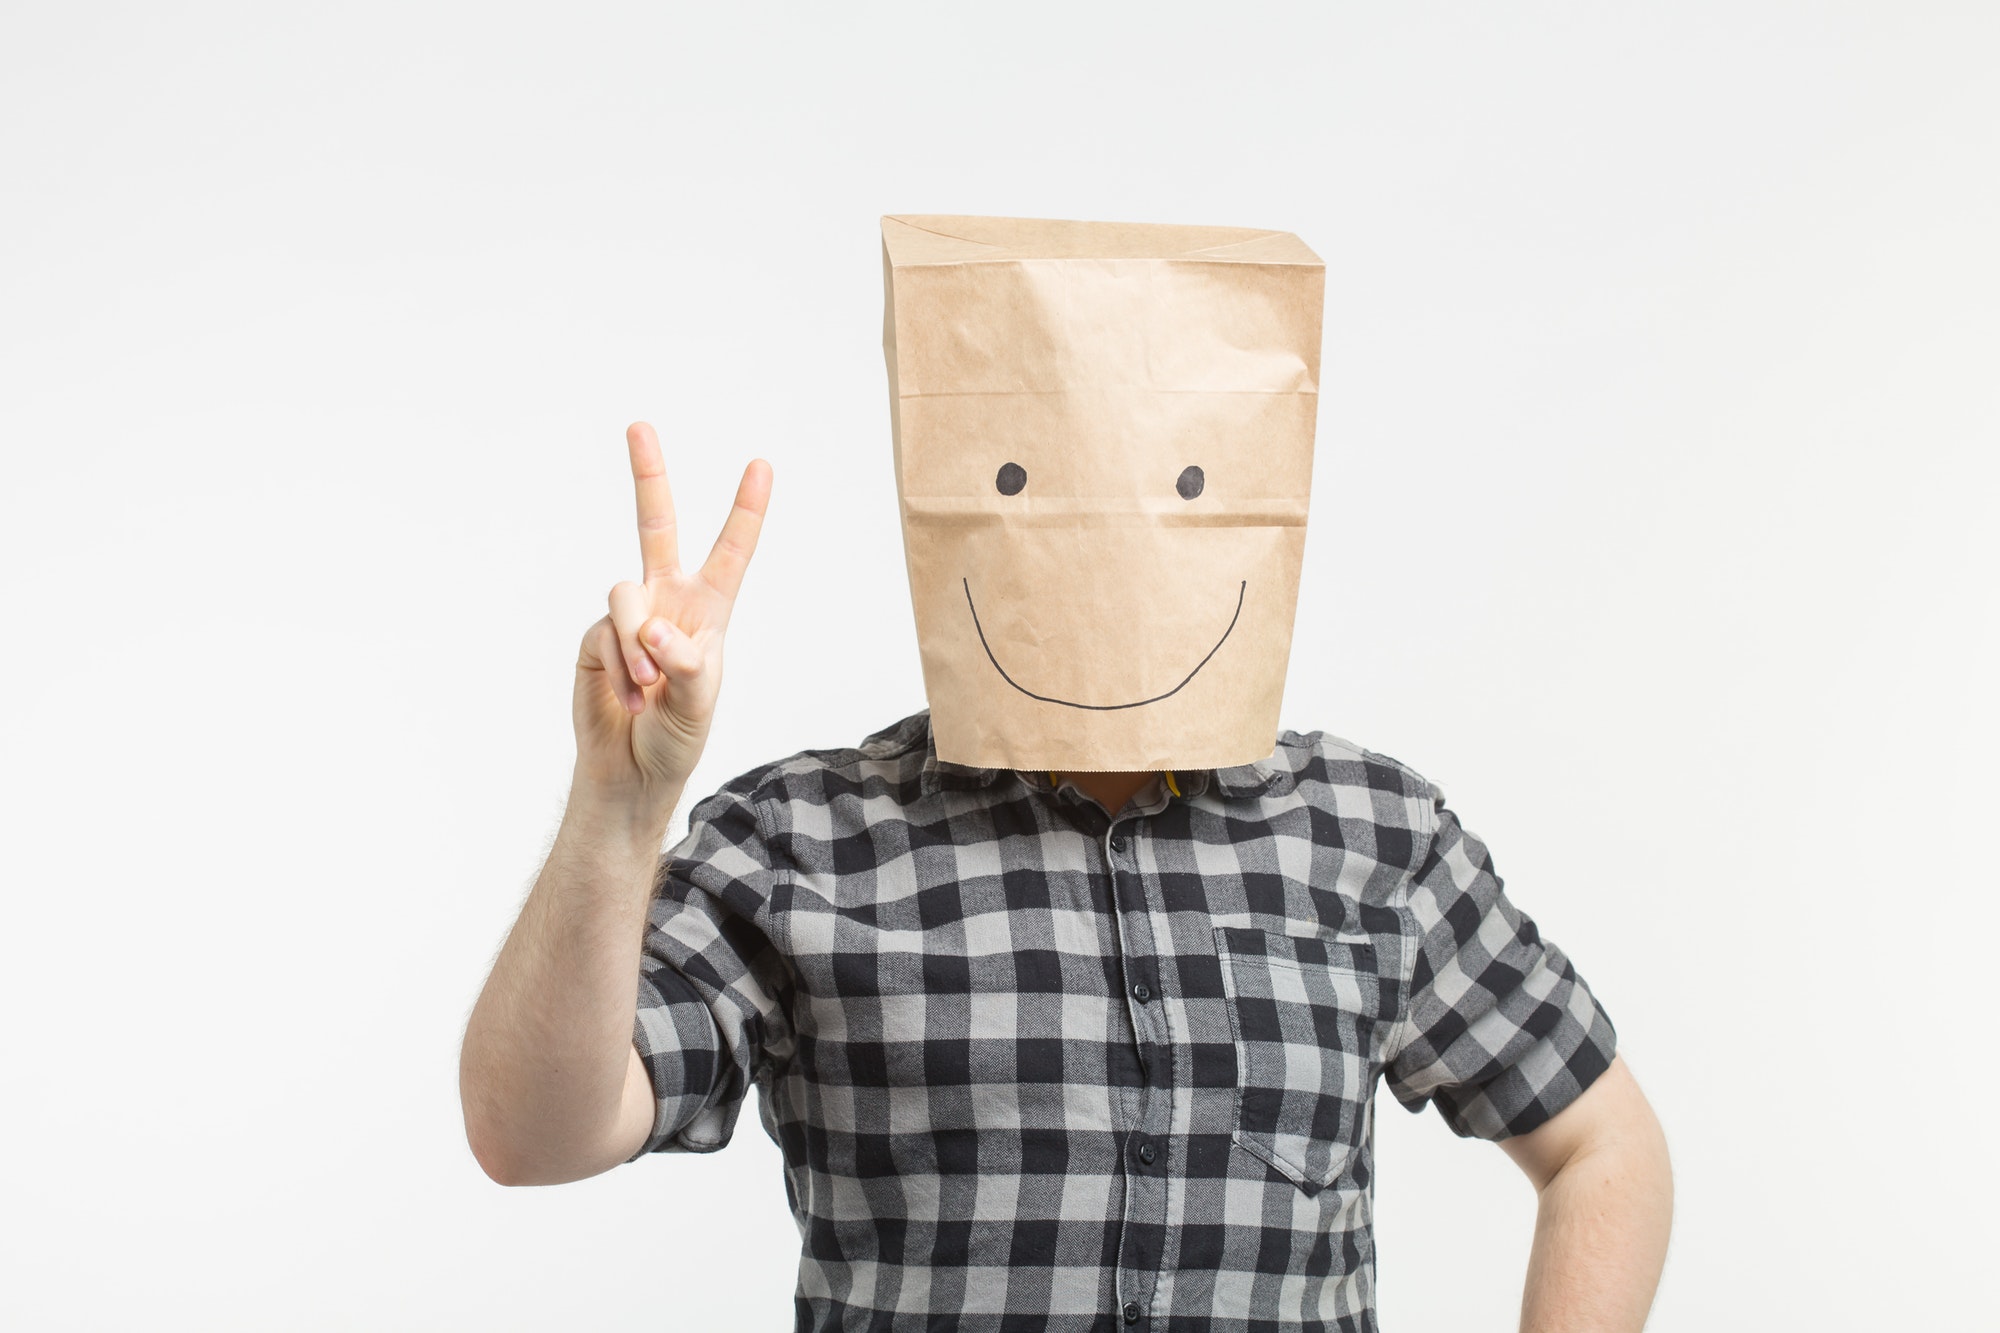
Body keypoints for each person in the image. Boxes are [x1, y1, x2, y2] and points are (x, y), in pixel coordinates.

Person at [459, 423, 1674, 1332]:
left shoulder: (1369, 833)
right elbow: (529, 1131)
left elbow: (1602, 1145)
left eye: (1181, 488)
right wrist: (619, 808)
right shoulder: (805, 838)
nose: (1108, 542)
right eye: (1028, 488)